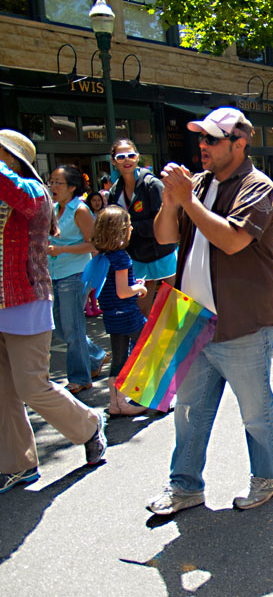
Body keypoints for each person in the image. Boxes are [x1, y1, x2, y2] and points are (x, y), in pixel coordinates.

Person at [149, 107, 273, 514]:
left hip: (242, 321)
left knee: (255, 412)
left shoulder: (258, 187)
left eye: (212, 139)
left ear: (239, 144)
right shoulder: (199, 184)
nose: (202, 146)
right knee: (188, 413)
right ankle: (185, 486)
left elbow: (231, 241)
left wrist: (188, 200)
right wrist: (172, 202)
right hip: (190, 318)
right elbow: (164, 237)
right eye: (201, 139)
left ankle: (269, 478)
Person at [0, 129, 106, 493]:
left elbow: (15, 194)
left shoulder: (35, 193)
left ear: (12, 161)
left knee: (32, 386)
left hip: (25, 302)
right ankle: (19, 464)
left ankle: (89, 425)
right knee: (2, 391)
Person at [47, 164, 108, 394]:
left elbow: (93, 244)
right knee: (61, 329)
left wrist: (61, 250)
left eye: (57, 182)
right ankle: (96, 356)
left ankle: (80, 378)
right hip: (54, 274)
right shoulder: (53, 208)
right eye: (51, 181)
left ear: (72, 187)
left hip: (74, 274)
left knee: (72, 330)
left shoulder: (80, 210)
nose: (53, 186)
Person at [90, 205, 148, 416]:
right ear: (121, 230)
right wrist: (140, 288)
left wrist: (133, 284)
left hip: (112, 316)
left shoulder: (102, 256)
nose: (132, 227)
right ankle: (149, 395)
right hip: (128, 314)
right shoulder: (122, 257)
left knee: (119, 357)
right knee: (149, 348)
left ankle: (117, 403)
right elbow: (124, 291)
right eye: (129, 224)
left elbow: (113, 287)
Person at [108, 138, 178, 315]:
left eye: (131, 155)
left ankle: (179, 342)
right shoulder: (115, 192)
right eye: (121, 156)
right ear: (114, 160)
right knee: (142, 309)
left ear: (137, 157)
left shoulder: (152, 184)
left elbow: (163, 221)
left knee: (173, 306)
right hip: (137, 255)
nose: (127, 160)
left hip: (163, 253)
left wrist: (129, 226)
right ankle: (146, 342)